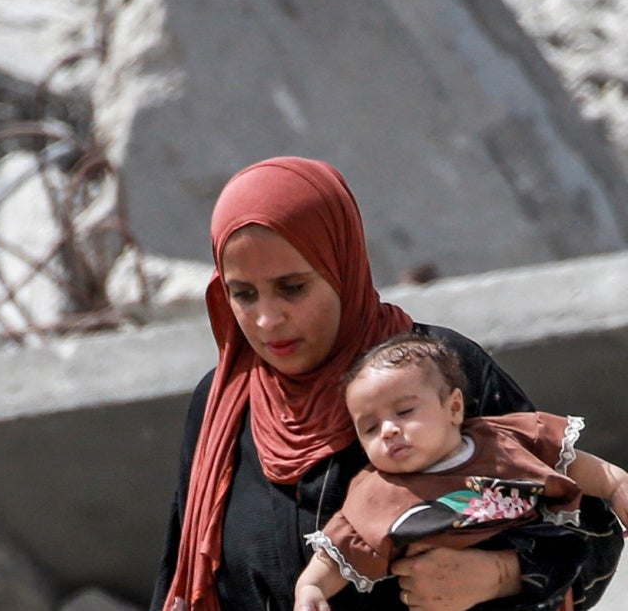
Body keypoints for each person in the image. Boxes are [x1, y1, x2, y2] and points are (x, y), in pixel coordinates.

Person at [150, 156, 623, 611]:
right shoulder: (222, 409)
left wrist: (500, 575)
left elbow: (588, 523)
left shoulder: (434, 371)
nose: (268, 319)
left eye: (293, 287)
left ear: (342, 267)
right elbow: (187, 573)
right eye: (244, 295)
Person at [294, 334, 628, 611]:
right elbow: (339, 549)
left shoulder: (502, 438)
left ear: (454, 407)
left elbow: (564, 459)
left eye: (405, 411)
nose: (389, 430)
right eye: (370, 427)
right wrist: (310, 586)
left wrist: (615, 483)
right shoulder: (378, 492)